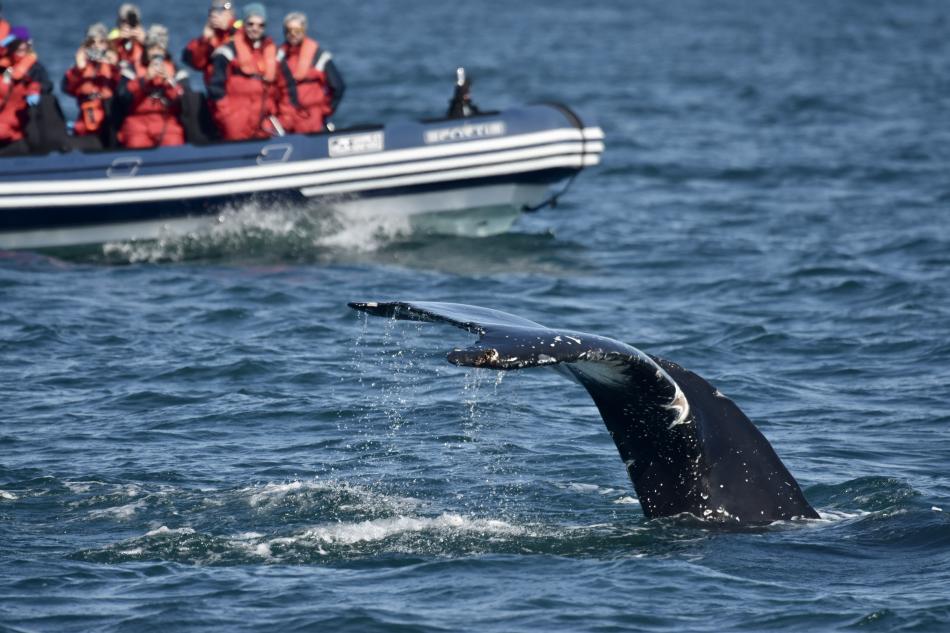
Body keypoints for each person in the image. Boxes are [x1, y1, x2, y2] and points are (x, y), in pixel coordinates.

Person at [208, 3, 283, 140]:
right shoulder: (227, 52)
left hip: (265, 123)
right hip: (236, 122)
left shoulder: (274, 53)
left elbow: (286, 88)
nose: (255, 28)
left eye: (261, 25)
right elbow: (215, 89)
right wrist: (227, 117)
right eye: (251, 24)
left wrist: (284, 119)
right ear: (244, 24)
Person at [115, 25, 186, 148]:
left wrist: (169, 82)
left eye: (159, 49)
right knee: (136, 144)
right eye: (152, 48)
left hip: (166, 121)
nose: (155, 53)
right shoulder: (131, 70)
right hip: (137, 122)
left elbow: (184, 100)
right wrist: (145, 79)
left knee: (173, 143)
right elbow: (123, 97)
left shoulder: (175, 70)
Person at [275, 11, 344, 134]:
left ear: (304, 30)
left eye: (297, 30)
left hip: (313, 120)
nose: (293, 34)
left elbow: (338, 86)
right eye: (289, 30)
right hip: (287, 122)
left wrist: (325, 110)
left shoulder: (319, 56)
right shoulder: (278, 56)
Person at [62, 23, 119, 144]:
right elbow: (67, 88)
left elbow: (127, 89)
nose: (96, 46)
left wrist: (115, 66)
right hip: (87, 120)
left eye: (101, 42)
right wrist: (78, 69)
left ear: (107, 44)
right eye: (92, 42)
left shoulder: (114, 65)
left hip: (110, 119)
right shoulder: (81, 68)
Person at [0, 27, 43, 155]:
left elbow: (41, 84)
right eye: (15, 47)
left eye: (22, 48)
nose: (19, 52)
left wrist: (34, 92)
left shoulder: (34, 69)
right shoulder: (5, 67)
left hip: (16, 127)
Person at [183, 0, 237, 86]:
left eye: (220, 10)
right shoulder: (209, 37)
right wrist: (205, 40)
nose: (214, 14)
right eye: (212, 10)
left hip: (233, 89)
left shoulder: (240, 34)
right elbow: (197, 64)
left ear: (230, 13)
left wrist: (228, 27)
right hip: (214, 90)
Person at [111, 3, 146, 76]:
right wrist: (118, 40)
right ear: (119, 22)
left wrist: (146, 43)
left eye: (133, 21)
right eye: (125, 21)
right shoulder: (114, 35)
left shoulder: (143, 35)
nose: (129, 24)